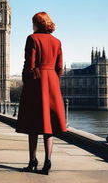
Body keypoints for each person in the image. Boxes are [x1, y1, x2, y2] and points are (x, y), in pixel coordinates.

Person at [15, 11, 67, 175]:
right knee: (48, 125)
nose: (32, 25)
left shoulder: (32, 38)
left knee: (33, 124)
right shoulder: (57, 41)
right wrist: (53, 80)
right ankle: (48, 161)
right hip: (51, 82)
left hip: (36, 84)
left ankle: (32, 161)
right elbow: (60, 67)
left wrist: (27, 81)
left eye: (33, 22)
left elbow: (29, 64)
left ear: (37, 23)